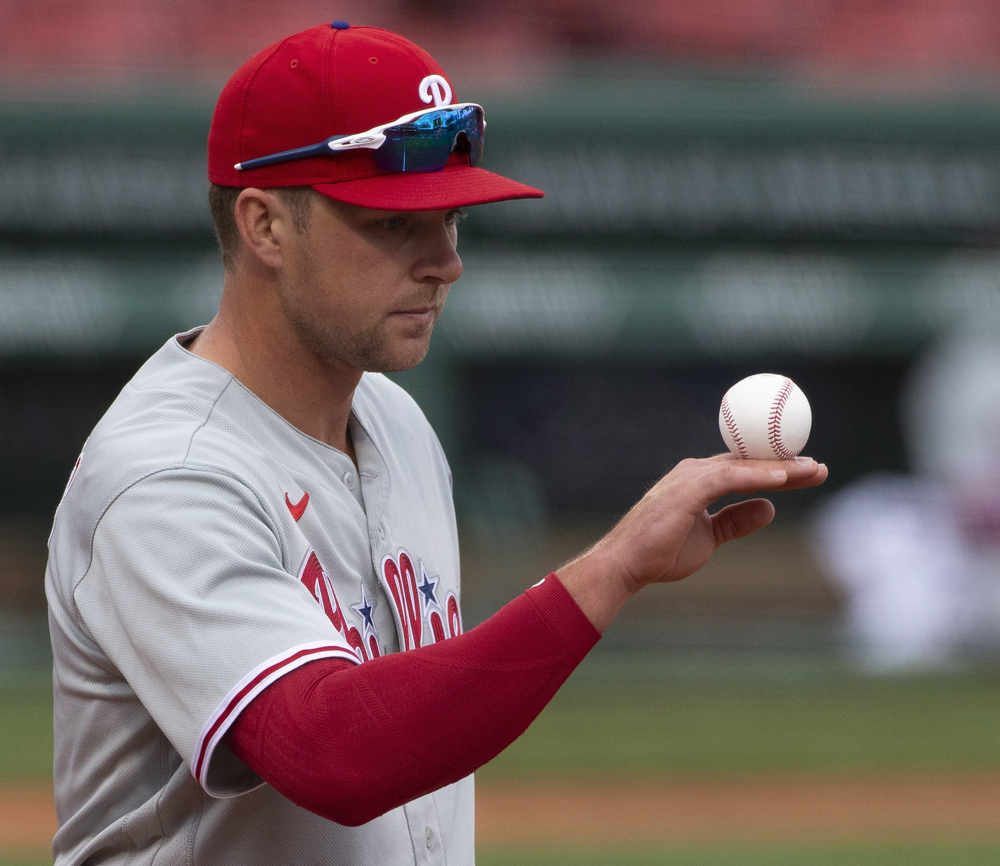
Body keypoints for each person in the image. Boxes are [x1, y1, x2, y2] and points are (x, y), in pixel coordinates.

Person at [44, 22, 827, 866]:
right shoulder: (165, 475)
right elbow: (333, 754)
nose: (445, 262)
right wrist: (613, 567)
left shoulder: (397, 424)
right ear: (265, 226)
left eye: (449, 217)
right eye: (392, 225)